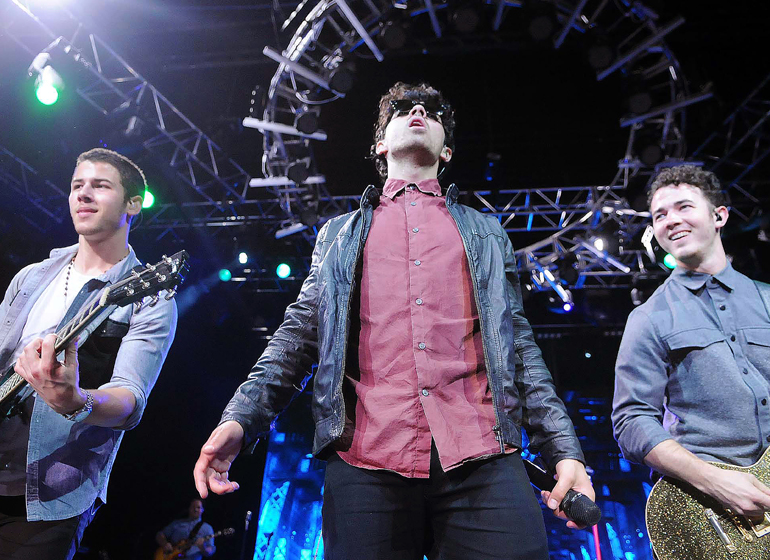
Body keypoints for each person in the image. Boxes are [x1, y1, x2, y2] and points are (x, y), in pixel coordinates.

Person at [194, 82, 594, 559]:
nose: (418, 110)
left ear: (446, 151)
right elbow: (298, 337)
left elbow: (519, 348)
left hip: (484, 456)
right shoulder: (338, 236)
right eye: (402, 108)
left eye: (433, 111)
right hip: (366, 461)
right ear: (381, 144)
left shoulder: (486, 233)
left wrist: (564, 449)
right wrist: (241, 418)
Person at [0, 148, 178, 559]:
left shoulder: (150, 298)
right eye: (77, 185)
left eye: (100, 185)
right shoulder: (31, 277)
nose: (83, 193)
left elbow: (130, 400)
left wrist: (76, 401)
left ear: (133, 204)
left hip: (51, 496)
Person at [612, 164, 770, 517]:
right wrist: (714, 481)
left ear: (719, 216)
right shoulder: (648, 317)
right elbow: (632, 421)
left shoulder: (767, 300)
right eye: (660, 215)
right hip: (711, 510)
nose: (671, 220)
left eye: (684, 207)